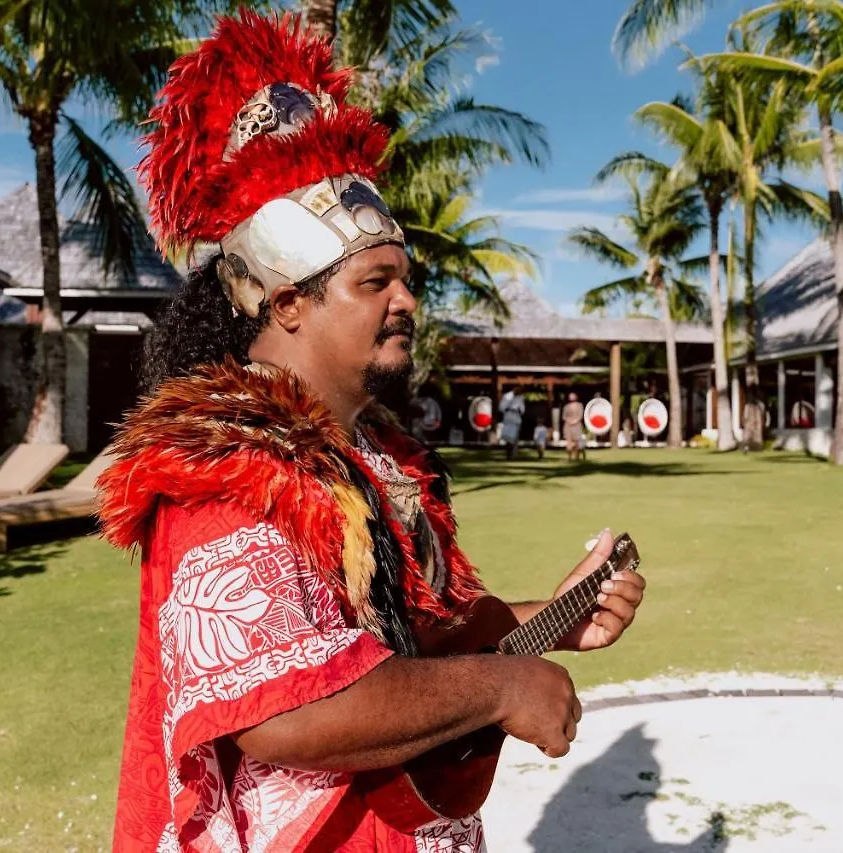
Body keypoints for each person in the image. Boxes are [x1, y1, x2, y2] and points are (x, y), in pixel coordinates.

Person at [96, 13, 645, 852]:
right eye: (374, 280)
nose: (407, 301)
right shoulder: (227, 461)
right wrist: (502, 687)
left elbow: (409, 653)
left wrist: (555, 616)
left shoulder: (381, 458)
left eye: (406, 279)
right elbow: (281, 707)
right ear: (285, 302)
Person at [498, 386, 525, 460]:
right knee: (508, 439)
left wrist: (518, 409)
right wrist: (510, 408)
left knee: (515, 439)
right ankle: (508, 455)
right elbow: (501, 407)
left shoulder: (520, 397)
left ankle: (514, 455)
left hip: (516, 420)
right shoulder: (507, 396)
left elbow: (522, 410)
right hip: (508, 419)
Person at [562, 391, 585, 462]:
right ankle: (569, 457)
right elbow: (563, 416)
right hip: (568, 426)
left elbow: (581, 415)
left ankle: (577, 457)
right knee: (569, 442)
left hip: (577, 425)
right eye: (570, 396)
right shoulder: (566, 406)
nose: (571, 397)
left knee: (576, 442)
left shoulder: (580, 405)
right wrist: (569, 421)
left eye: (573, 395)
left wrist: (575, 421)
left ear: (576, 397)